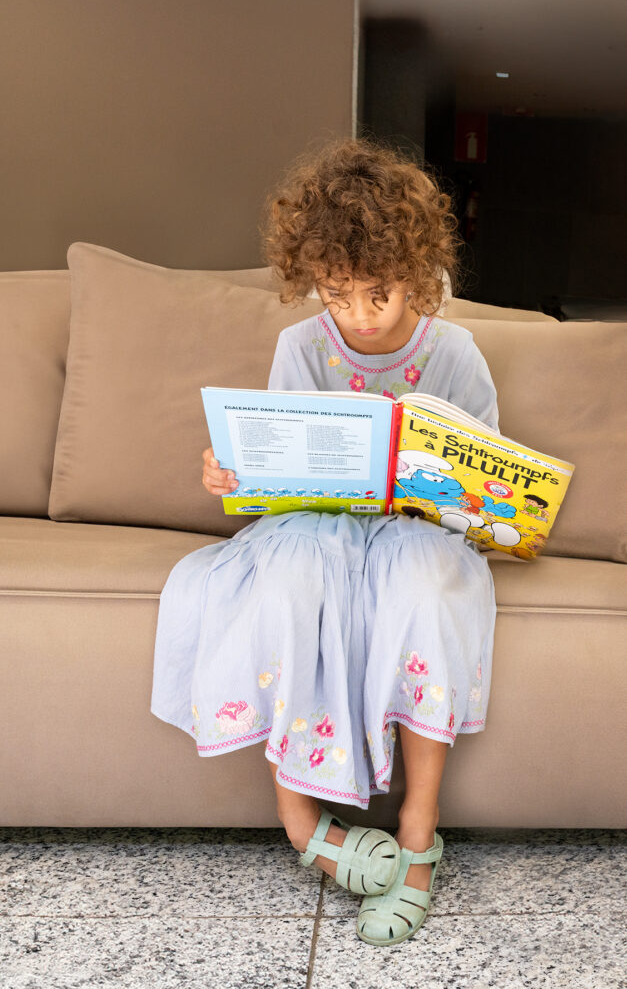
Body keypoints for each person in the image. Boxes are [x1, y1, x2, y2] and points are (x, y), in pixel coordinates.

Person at [150, 136, 499, 947]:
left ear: (416, 273)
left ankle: (417, 830)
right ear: (314, 280)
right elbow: (281, 473)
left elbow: (482, 477)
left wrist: (461, 489)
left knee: (420, 584)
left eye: (379, 293)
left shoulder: (454, 351)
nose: (360, 315)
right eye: (338, 296)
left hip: (416, 532)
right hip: (318, 528)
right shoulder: (301, 346)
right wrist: (233, 474)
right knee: (293, 576)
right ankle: (300, 821)